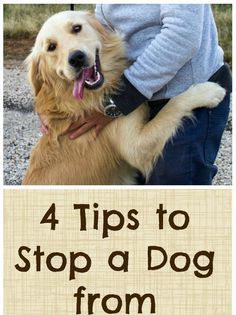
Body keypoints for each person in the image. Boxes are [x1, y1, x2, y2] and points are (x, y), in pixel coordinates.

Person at [41, 4, 232, 185]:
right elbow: (104, 25)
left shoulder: (117, 100)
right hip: (137, 95)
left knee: (173, 194)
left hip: (187, 88)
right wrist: (47, 105)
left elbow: (183, 34)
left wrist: (115, 103)